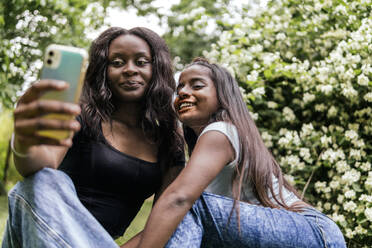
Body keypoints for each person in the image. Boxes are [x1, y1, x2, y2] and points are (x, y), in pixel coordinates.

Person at [124, 58, 346, 248]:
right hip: (311, 237)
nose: (182, 92)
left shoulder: (221, 130)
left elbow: (179, 200)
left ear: (222, 95)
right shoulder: (208, 152)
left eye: (197, 85)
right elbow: (159, 228)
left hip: (314, 232)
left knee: (186, 204)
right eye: (179, 88)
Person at [2, 27, 184, 247]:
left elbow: (163, 219)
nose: (129, 70)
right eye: (116, 62)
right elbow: (40, 166)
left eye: (141, 62)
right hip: (42, 231)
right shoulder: (81, 114)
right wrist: (23, 139)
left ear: (157, 68)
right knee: (44, 179)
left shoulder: (169, 139)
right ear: (103, 70)